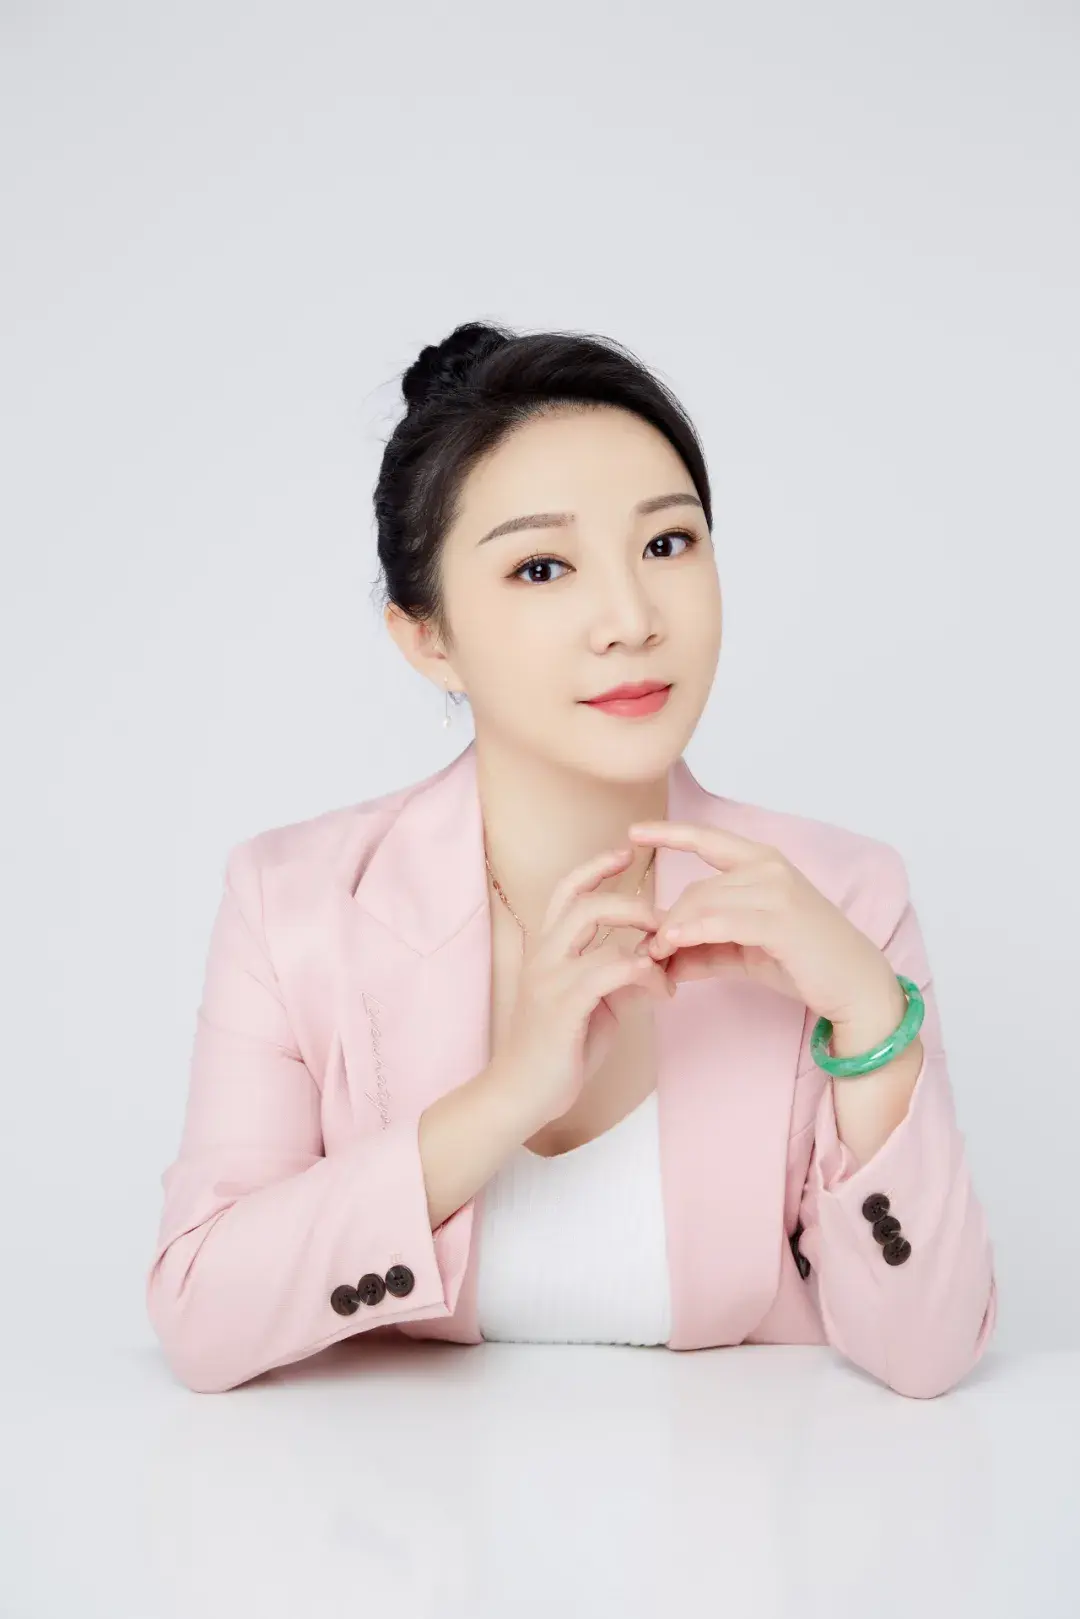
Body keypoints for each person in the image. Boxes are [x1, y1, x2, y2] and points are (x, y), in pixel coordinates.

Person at [146, 320, 998, 1397]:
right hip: (393, 1501)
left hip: (742, 1493)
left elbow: (927, 1355)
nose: (631, 619)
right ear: (427, 637)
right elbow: (201, 1317)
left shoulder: (843, 897)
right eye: (542, 566)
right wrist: (507, 1097)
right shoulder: (295, 903)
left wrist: (873, 1021)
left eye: (668, 544)